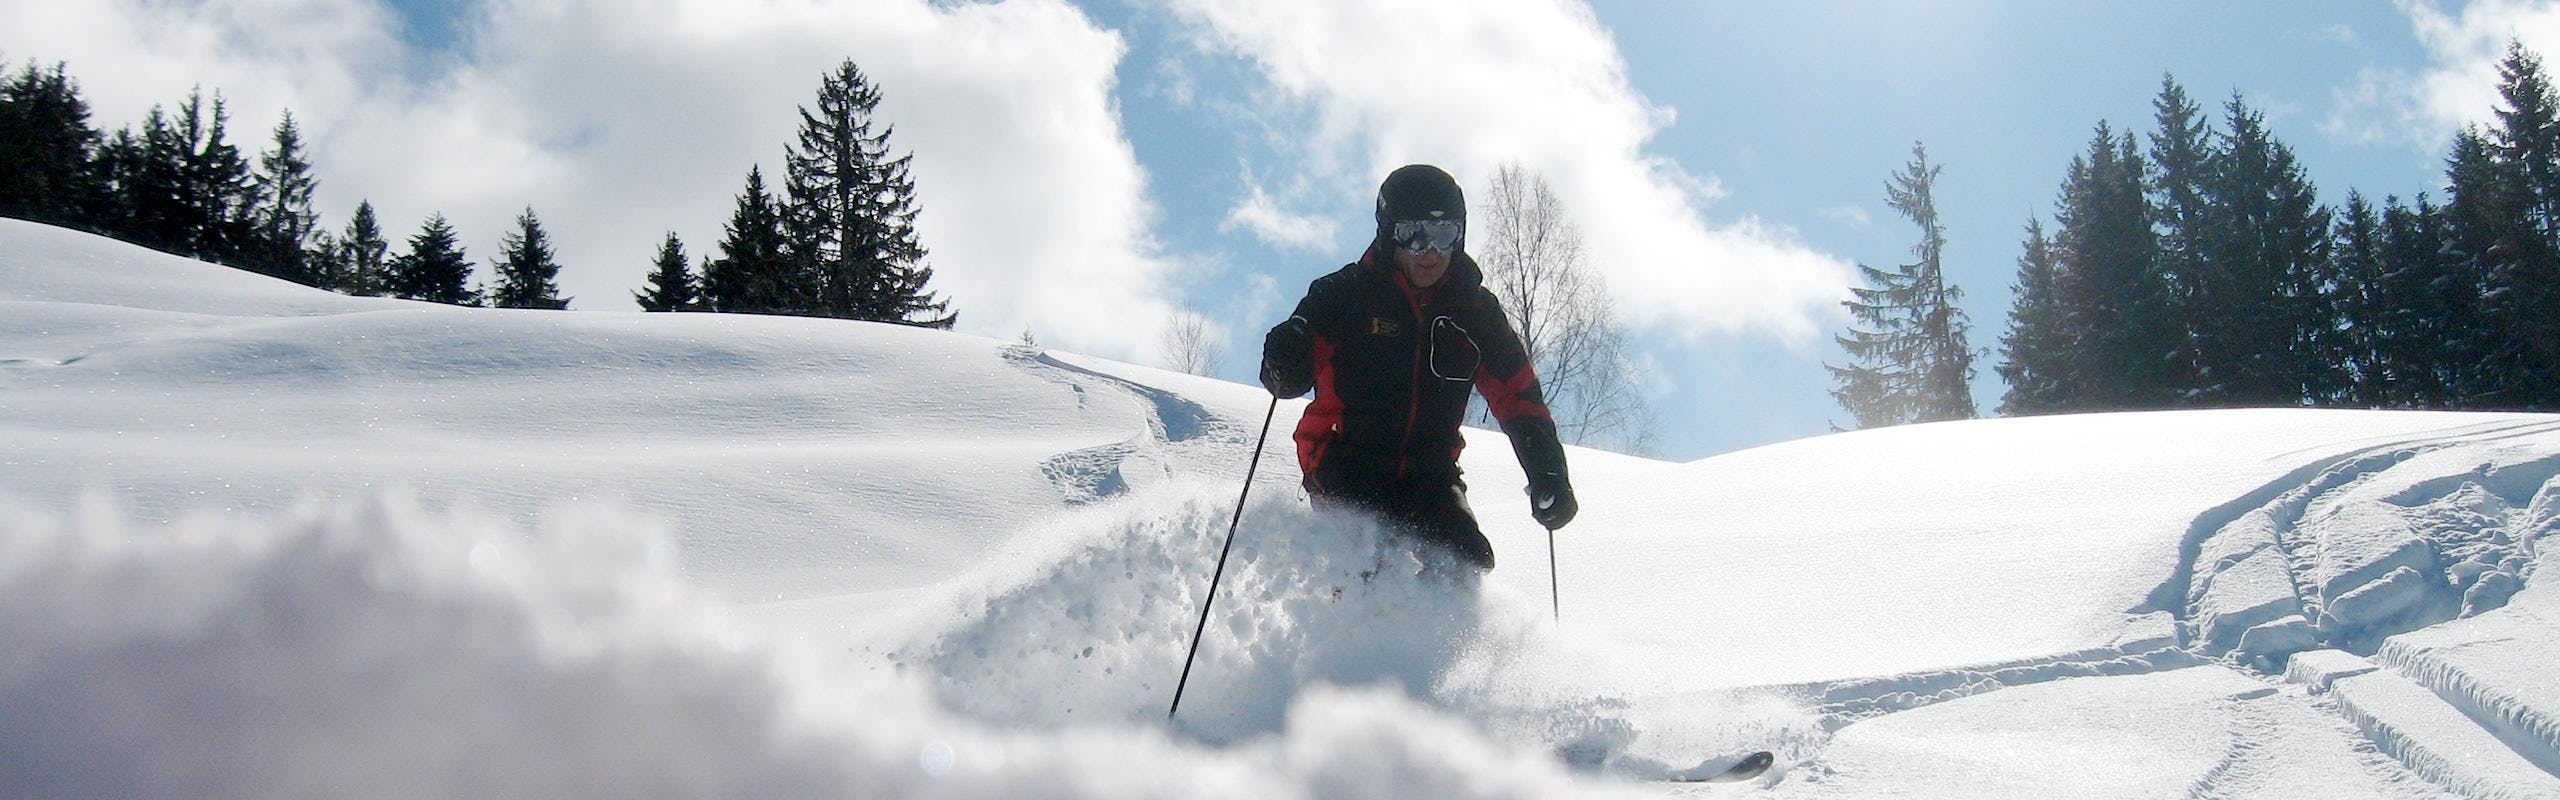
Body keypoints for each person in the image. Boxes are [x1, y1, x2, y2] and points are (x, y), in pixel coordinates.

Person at [1258, 164, 1577, 572]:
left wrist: (1548, 471)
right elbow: (1286, 381)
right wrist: (1284, 358)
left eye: (1445, 236)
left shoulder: (1476, 312)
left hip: (1432, 472)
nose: (1430, 252)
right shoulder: (1345, 295)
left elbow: (1518, 397)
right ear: (1390, 233)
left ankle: (1444, 636)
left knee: (1465, 563)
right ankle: (1344, 626)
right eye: (1415, 234)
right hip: (1345, 458)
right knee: (1371, 561)